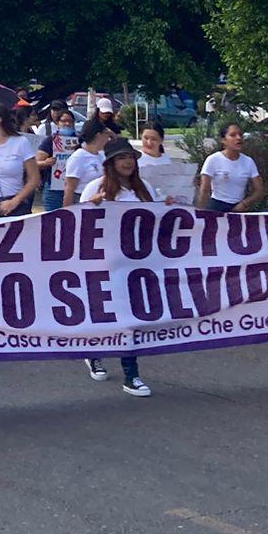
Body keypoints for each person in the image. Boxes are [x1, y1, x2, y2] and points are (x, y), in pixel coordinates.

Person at [78, 136, 173, 395]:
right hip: (106, 261)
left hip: (136, 262)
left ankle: (129, 372)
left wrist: (168, 208)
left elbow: (156, 222)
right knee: (108, 313)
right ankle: (101, 357)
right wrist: (91, 207)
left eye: (130, 157)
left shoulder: (145, 190)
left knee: (130, 316)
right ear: (110, 163)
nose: (128, 162)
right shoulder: (95, 188)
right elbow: (76, 223)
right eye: (121, 157)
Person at [196, 122, 263, 213]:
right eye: (233, 135)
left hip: (239, 209)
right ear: (224, 140)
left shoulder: (248, 161)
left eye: (240, 135)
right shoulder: (213, 160)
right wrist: (199, 213)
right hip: (216, 207)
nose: (238, 138)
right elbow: (204, 190)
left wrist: (245, 203)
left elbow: (258, 190)